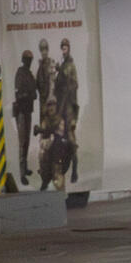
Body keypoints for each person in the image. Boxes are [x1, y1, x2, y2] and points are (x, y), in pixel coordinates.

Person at [55, 38, 80, 184]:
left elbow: (74, 84)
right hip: (61, 107)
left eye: (65, 48)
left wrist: (62, 73)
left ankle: (75, 170)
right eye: (62, 48)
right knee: (60, 139)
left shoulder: (70, 65)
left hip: (69, 107)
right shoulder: (64, 64)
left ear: (68, 49)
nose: (63, 50)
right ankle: (62, 171)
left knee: (71, 140)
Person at [12, 49, 37, 185]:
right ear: (23, 60)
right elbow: (18, 94)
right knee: (22, 142)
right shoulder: (20, 73)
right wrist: (29, 95)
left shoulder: (29, 74)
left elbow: (34, 92)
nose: (29, 61)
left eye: (30, 59)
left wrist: (30, 94)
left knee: (26, 140)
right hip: (21, 111)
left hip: (27, 110)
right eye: (27, 59)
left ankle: (25, 168)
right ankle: (22, 173)